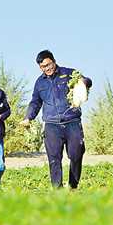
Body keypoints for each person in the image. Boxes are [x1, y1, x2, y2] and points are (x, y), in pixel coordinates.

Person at [20, 50, 92, 189]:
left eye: (48, 64)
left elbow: (87, 81)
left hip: (72, 122)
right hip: (52, 125)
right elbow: (35, 102)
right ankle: (57, 190)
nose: (47, 68)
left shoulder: (69, 73)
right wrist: (28, 117)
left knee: (76, 154)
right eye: (43, 67)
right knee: (54, 159)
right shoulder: (40, 83)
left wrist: (83, 82)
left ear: (54, 61)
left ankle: (73, 185)